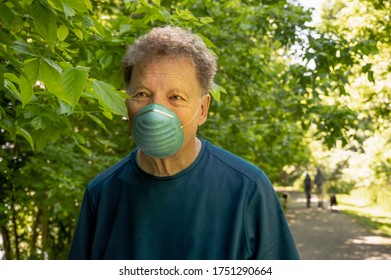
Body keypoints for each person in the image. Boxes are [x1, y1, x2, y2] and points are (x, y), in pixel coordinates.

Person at [68, 26, 299, 260]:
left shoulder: (247, 190)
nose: (155, 110)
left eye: (175, 97)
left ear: (203, 109)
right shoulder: (102, 193)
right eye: (142, 94)